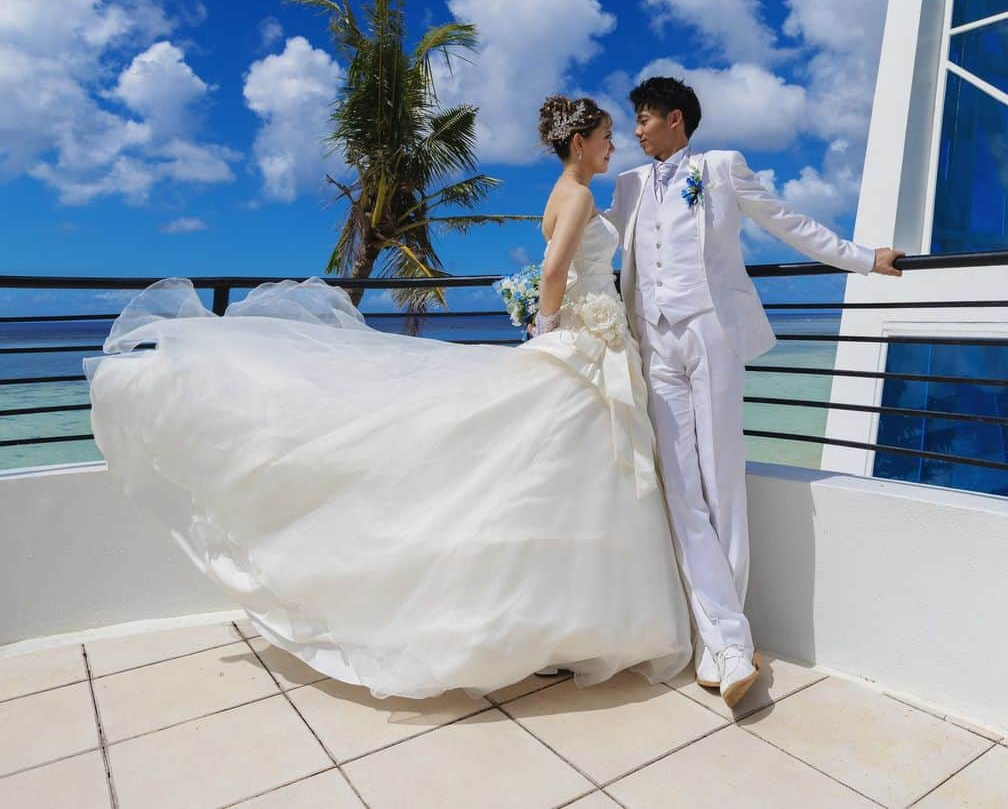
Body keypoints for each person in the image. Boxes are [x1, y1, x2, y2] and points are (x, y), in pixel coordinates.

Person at [85, 94, 691, 701]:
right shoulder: (580, 195)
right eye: (608, 135)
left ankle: (557, 628)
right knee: (574, 487)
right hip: (585, 345)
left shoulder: (559, 194)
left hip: (590, 343)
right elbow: (555, 271)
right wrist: (553, 329)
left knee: (560, 488)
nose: (614, 145)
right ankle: (568, 627)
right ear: (580, 142)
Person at [606, 75, 904, 708]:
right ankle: (727, 640)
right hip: (653, 341)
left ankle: (726, 644)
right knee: (681, 491)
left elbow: (786, 222)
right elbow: (600, 242)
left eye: (645, 117)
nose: (635, 129)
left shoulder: (720, 168)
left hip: (712, 332)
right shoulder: (628, 185)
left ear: (677, 120)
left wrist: (861, 258)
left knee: (723, 484)